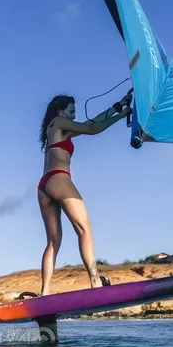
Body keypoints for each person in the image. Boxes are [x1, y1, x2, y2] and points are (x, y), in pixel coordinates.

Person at [37, 93, 131, 296]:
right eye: (71, 111)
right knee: (84, 231)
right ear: (60, 111)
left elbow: (90, 122)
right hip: (59, 180)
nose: (74, 115)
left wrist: (117, 106)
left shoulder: (55, 128)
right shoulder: (59, 121)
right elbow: (92, 129)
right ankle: (96, 282)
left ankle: (45, 292)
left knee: (53, 242)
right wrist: (121, 116)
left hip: (44, 186)